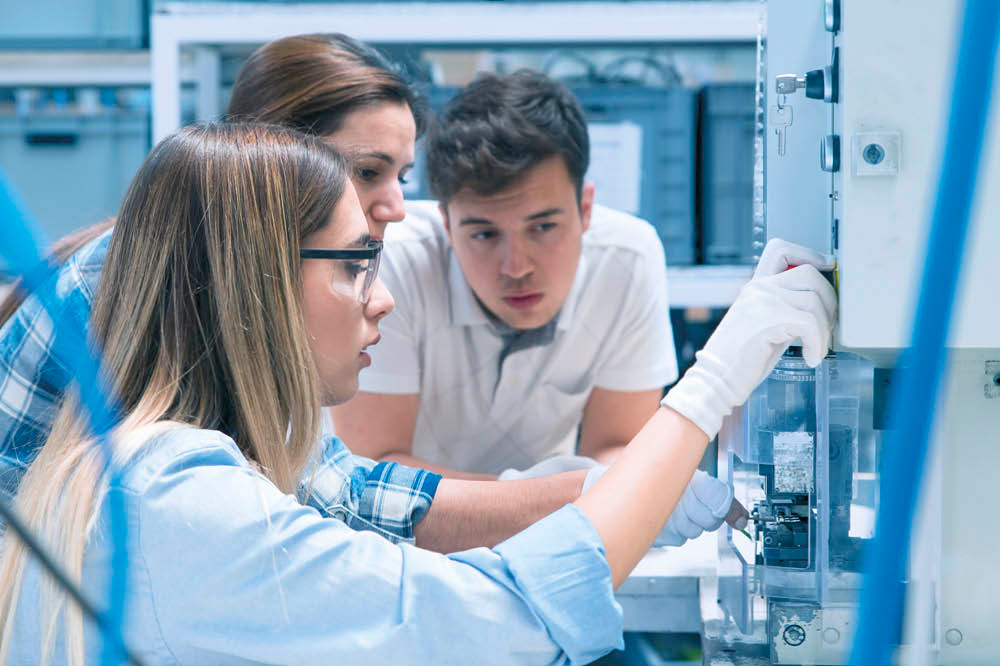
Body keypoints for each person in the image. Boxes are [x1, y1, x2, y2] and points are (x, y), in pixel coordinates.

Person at [0, 122, 836, 665]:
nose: (382, 295)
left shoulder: (131, 467)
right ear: (254, 283)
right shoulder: (182, 504)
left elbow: (359, 502)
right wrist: (715, 380)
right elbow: (508, 615)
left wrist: (589, 486)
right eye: (355, 262)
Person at [0, 34, 732, 556]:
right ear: (271, 158)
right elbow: (325, 501)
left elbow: (341, 486)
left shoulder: (237, 275)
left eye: (402, 176)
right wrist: (584, 497)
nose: (394, 208)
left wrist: (573, 492)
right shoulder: (146, 286)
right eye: (368, 172)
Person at [333, 70, 678, 479]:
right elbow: (375, 469)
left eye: (543, 227)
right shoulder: (394, 264)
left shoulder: (627, 258)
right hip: (400, 535)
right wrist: (548, 499)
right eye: (484, 234)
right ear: (446, 222)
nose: (517, 266)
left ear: (586, 209)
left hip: (548, 522)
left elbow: (615, 449)